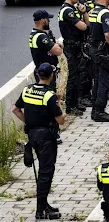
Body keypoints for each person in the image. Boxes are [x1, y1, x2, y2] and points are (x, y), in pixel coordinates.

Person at [12, 63, 64, 220]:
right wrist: (60, 106)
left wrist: (29, 121)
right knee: (45, 173)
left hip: (32, 135)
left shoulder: (28, 90)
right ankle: (40, 210)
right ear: (51, 76)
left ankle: (44, 204)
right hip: (47, 138)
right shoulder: (49, 95)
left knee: (42, 173)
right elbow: (60, 120)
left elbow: (15, 109)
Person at [57, 0, 88, 115]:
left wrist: (84, 12)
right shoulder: (67, 10)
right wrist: (82, 18)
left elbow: (87, 24)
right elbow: (83, 26)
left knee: (79, 74)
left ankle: (76, 102)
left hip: (77, 45)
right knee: (73, 76)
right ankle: (70, 106)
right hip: (71, 46)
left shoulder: (74, 9)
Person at [29, 10, 63, 89]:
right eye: (47, 19)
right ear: (42, 20)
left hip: (41, 70)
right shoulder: (41, 37)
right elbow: (58, 51)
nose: (49, 21)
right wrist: (57, 44)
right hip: (46, 72)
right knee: (48, 94)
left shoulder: (34, 33)